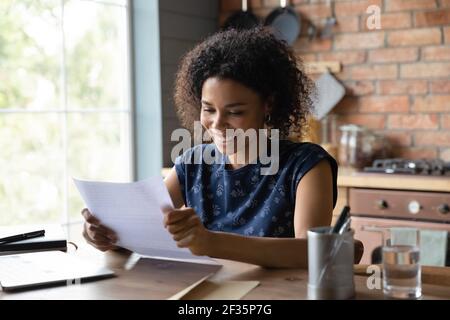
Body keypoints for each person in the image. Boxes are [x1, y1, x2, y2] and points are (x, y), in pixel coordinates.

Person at [82, 28, 361, 268]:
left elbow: (312, 252)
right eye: (208, 109)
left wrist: (211, 243)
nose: (217, 124)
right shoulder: (192, 164)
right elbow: (140, 229)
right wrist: (106, 235)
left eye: (235, 111)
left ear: (269, 105)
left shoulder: (307, 166)